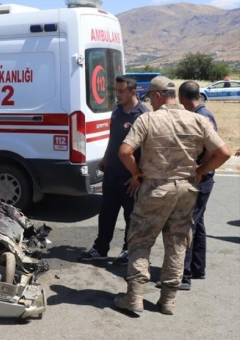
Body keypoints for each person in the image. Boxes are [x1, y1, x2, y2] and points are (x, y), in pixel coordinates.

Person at [113, 77, 230, 316]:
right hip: (185, 190)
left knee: (140, 242)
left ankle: (134, 298)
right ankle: (167, 300)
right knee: (177, 244)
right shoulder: (198, 119)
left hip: (154, 190)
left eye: (151, 99)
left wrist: (136, 172)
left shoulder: (147, 119)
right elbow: (224, 153)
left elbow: (125, 151)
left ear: (157, 96)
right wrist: (199, 172)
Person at [79, 76, 149, 265]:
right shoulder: (117, 111)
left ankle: (128, 250)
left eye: (121, 91)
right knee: (107, 212)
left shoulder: (143, 115)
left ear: (133, 92)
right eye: (116, 91)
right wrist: (106, 158)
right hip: (112, 172)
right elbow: (114, 138)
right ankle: (100, 248)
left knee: (130, 216)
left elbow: (147, 150)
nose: (117, 95)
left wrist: (138, 175)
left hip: (130, 176)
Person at [172, 80, 218, 290]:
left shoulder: (201, 117)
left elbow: (213, 149)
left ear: (182, 98)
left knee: (187, 224)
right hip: (203, 177)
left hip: (201, 179)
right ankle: (198, 268)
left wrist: (201, 169)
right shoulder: (204, 113)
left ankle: (184, 276)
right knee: (197, 224)